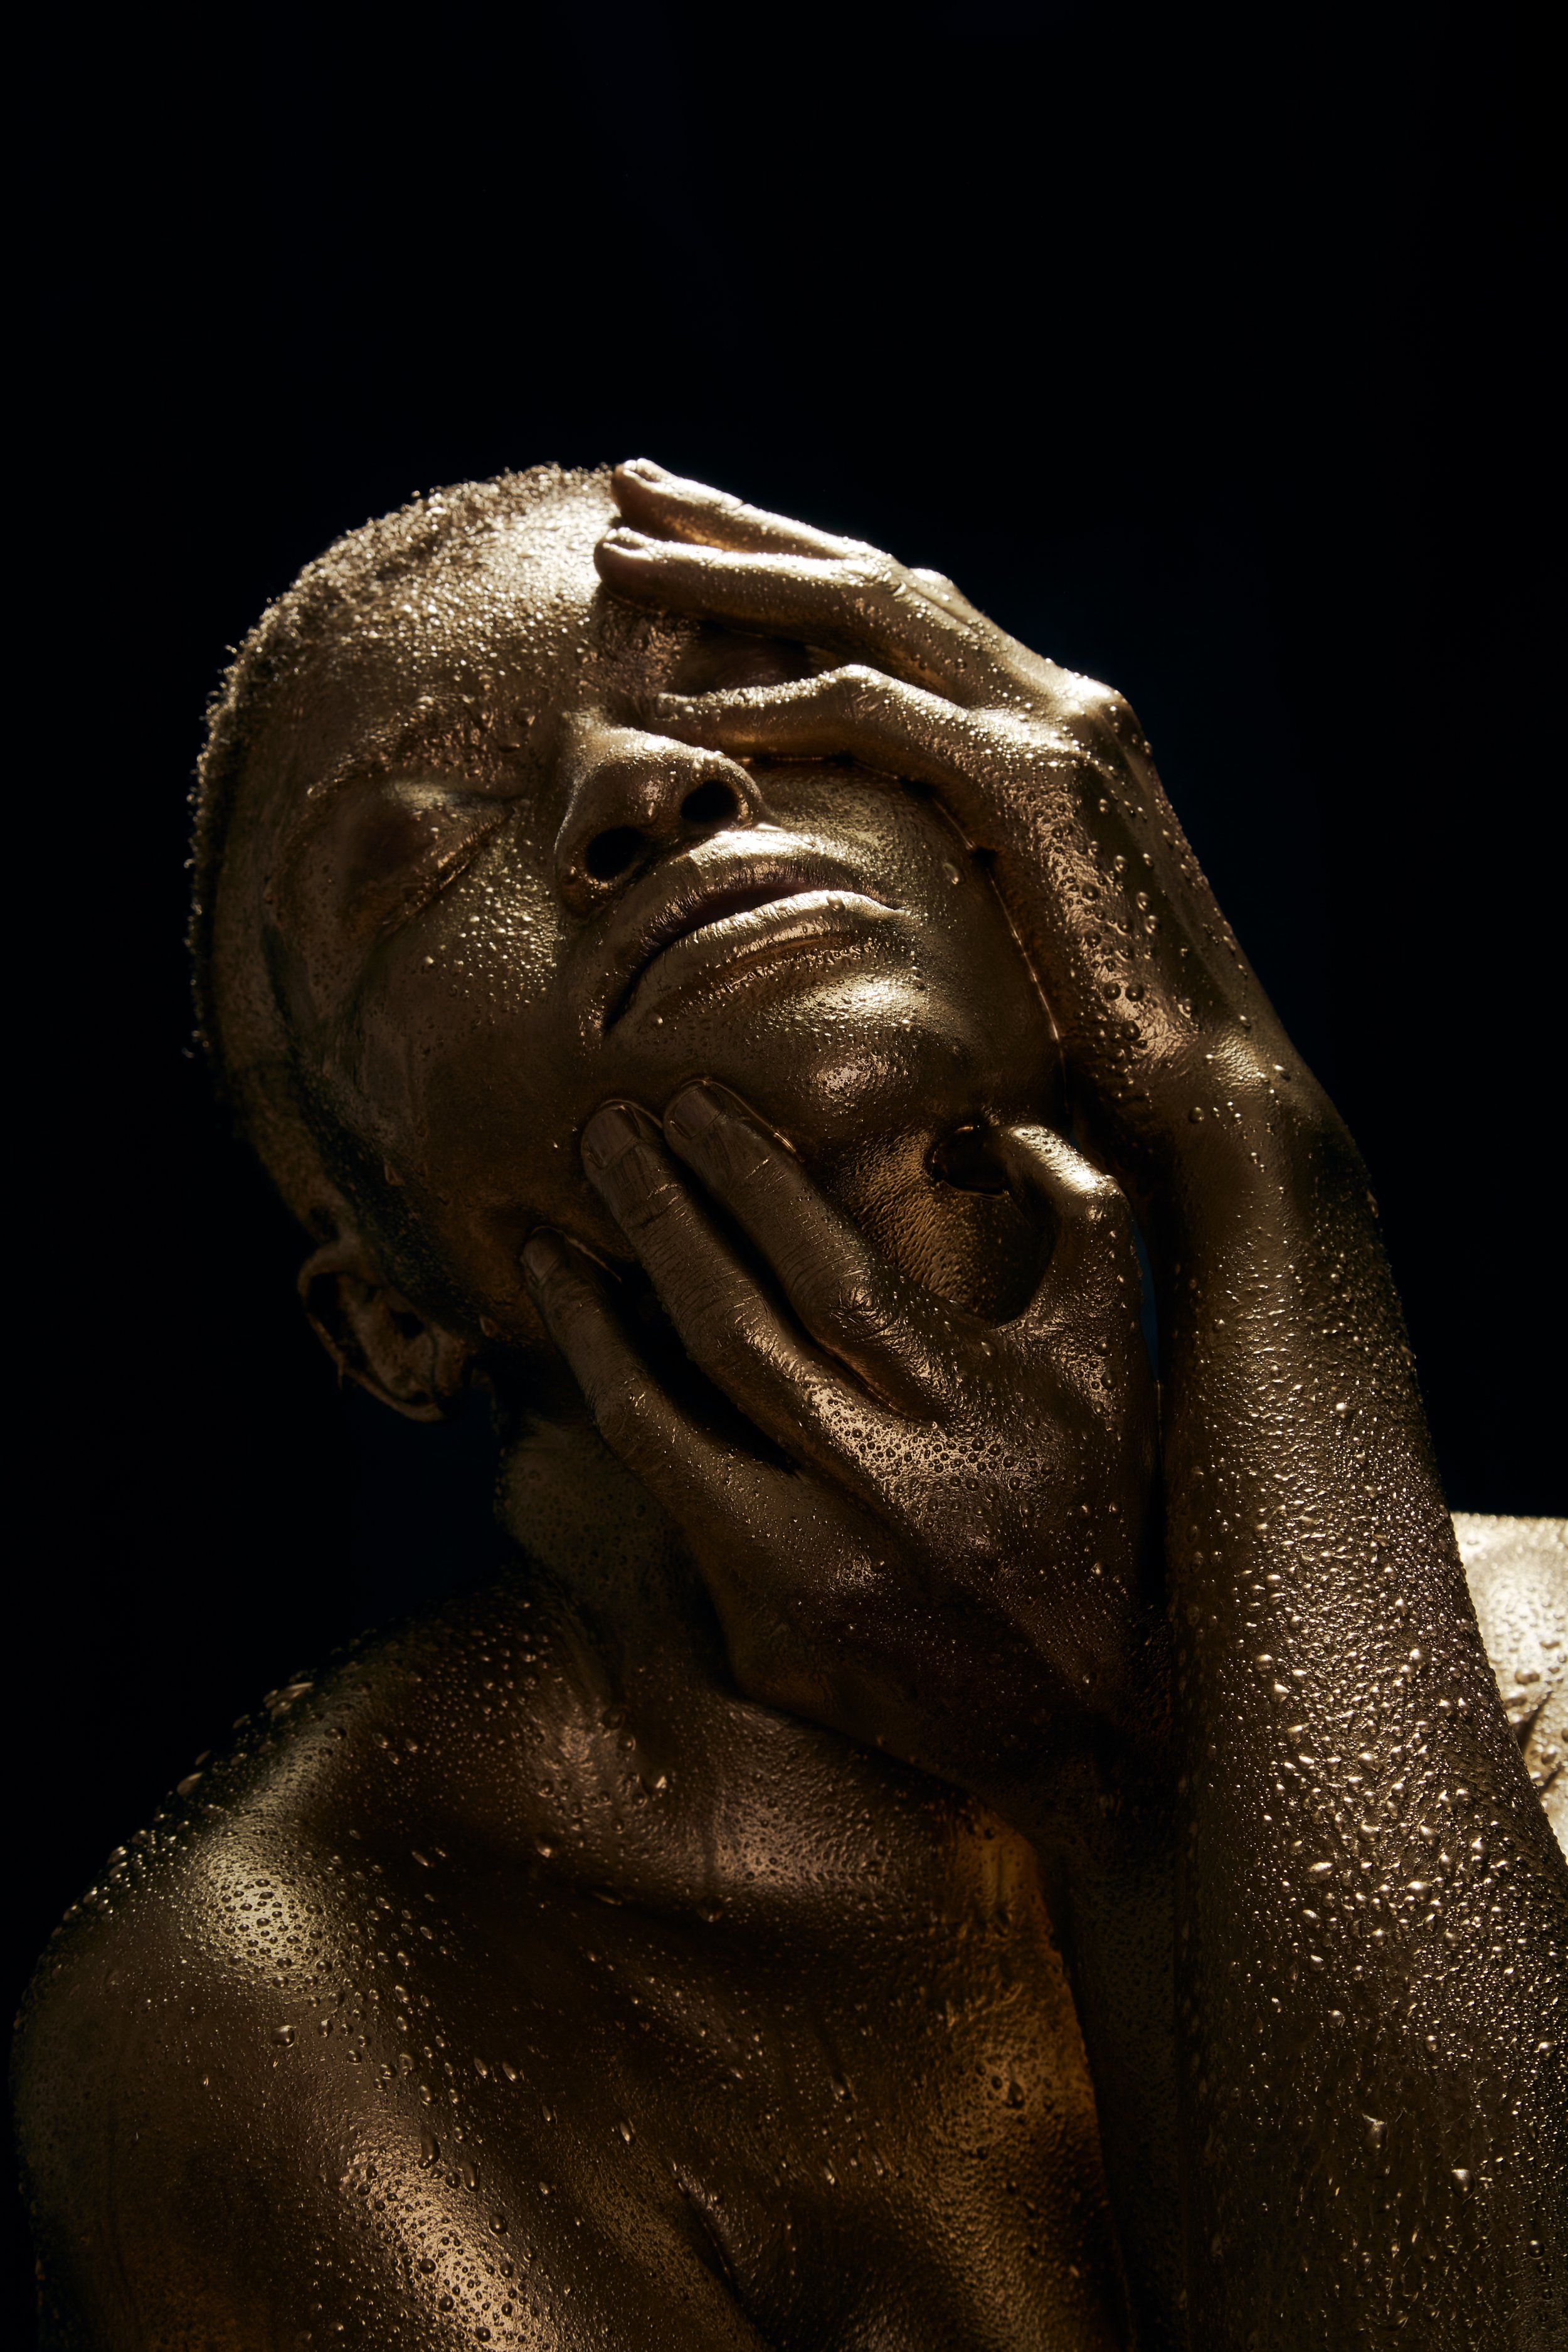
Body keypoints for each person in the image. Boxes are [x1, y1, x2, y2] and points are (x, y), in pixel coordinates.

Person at [14, 460, 1565, 2350]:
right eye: (414, 859)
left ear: (1044, 865)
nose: (647, 785)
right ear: (384, 1316)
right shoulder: (278, 1997)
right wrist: (1127, 1798)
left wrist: (1257, 1153)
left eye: (767, 691)